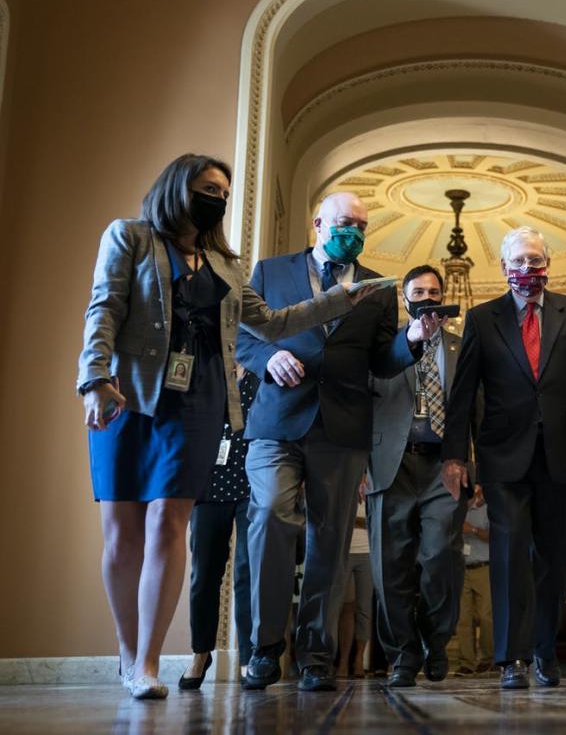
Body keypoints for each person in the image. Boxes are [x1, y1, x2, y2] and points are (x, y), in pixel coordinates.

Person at [78, 154, 371, 699]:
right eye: (208, 187)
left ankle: (146, 662)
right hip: (129, 395)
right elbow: (104, 309)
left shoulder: (226, 263)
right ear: (177, 187)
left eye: (224, 192)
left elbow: (274, 322)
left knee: (169, 524)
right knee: (123, 533)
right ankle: (126, 650)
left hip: (201, 400)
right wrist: (93, 377)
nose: (217, 197)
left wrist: (338, 299)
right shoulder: (131, 237)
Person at [236, 191, 442, 693]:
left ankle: (315, 656)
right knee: (270, 514)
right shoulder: (270, 271)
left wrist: (412, 340)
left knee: (329, 540)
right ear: (318, 224)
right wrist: (268, 361)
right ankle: (264, 649)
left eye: (361, 225)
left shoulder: (376, 287)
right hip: (277, 421)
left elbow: (380, 359)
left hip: (343, 428)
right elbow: (241, 336)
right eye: (344, 222)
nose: (353, 230)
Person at [441, 226, 566, 691]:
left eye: (535, 261)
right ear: (503, 268)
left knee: (555, 559)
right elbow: (464, 393)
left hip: (561, 453)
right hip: (503, 455)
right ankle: (512, 658)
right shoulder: (482, 317)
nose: (528, 270)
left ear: (547, 265)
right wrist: (456, 455)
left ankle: (544, 649)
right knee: (511, 552)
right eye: (519, 262)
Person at [367, 265, 468, 688]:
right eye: (418, 291)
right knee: (390, 567)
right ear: (405, 299)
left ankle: (435, 638)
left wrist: (466, 462)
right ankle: (403, 656)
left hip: (442, 467)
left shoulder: (462, 347)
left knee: (440, 559)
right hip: (390, 464)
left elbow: (473, 411)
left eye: (434, 291)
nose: (427, 297)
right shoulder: (381, 347)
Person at [179, 368, 259, 690]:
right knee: (204, 573)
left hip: (253, 481)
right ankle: (201, 653)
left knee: (247, 571)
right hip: (208, 482)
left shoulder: (263, 370)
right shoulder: (208, 370)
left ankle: (247, 658)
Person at [452, 486, 494, 675]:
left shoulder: (489, 509)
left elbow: (494, 536)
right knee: (463, 618)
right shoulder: (459, 509)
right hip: (461, 568)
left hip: (483, 567)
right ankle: (466, 662)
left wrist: (474, 530)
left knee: (486, 617)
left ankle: (488, 659)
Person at [335, 498, 373, 678]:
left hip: (368, 553)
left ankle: (358, 659)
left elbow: (375, 520)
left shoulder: (371, 488)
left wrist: (355, 521)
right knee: (345, 607)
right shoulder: (346, 485)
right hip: (345, 551)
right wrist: (359, 522)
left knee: (365, 608)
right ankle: (342, 661)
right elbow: (338, 517)